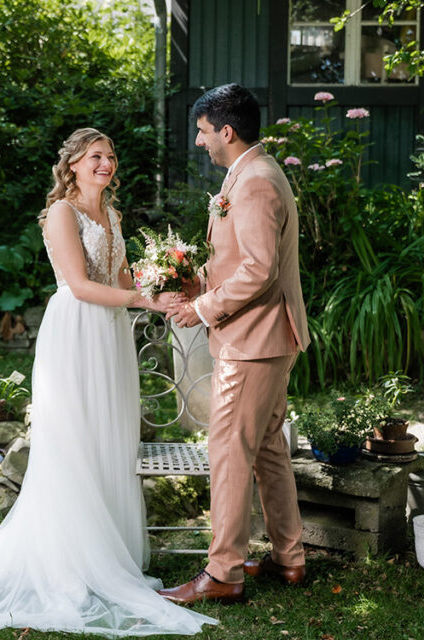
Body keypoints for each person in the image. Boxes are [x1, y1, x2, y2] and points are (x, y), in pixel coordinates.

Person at [0, 128, 216, 637]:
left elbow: (119, 282)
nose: (106, 164)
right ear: (72, 164)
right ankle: (70, 561)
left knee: (108, 437)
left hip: (110, 336)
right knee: (74, 440)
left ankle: (108, 551)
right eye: (95, 156)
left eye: (110, 157)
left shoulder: (111, 214)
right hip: (75, 332)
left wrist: (165, 286)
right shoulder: (61, 214)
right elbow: (82, 284)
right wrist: (144, 301)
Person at [160, 84, 311, 605]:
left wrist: (202, 309)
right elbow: (238, 258)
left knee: (228, 450)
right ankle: (289, 557)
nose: (199, 141)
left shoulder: (256, 182)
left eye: (202, 132)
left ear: (226, 130)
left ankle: (223, 571)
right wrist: (195, 280)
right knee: (268, 447)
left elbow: (259, 268)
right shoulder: (249, 173)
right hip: (264, 338)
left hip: (253, 342)